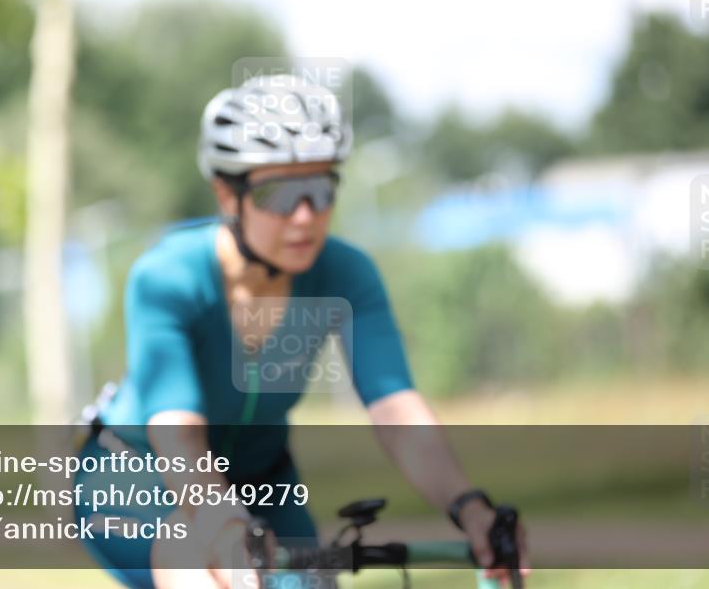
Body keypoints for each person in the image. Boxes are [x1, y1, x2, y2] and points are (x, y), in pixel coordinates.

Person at [74, 74, 527, 588]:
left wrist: (469, 507)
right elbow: (179, 436)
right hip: (140, 476)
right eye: (279, 194)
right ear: (228, 194)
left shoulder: (346, 273)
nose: (305, 217)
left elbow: (397, 410)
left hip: (264, 480)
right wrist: (223, 524)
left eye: (320, 189)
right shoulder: (167, 277)